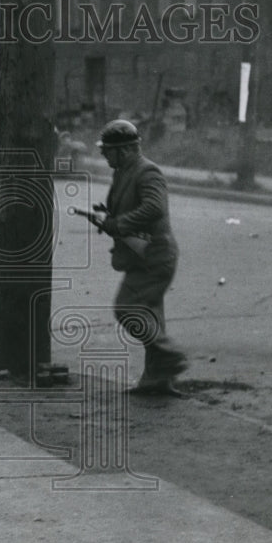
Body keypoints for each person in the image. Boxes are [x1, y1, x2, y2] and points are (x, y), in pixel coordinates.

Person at [93, 119, 188, 396]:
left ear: (124, 150)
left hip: (155, 256)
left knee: (127, 308)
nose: (103, 155)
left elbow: (154, 208)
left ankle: (171, 355)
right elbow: (135, 206)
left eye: (107, 150)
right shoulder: (124, 171)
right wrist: (108, 215)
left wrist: (119, 223)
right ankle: (157, 381)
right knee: (150, 317)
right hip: (144, 254)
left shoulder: (148, 172)